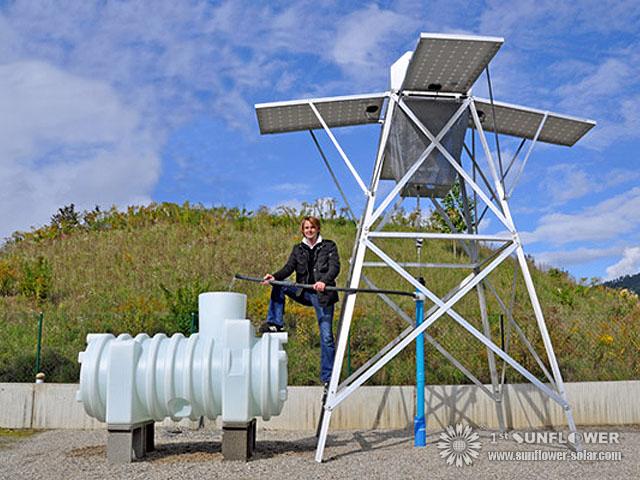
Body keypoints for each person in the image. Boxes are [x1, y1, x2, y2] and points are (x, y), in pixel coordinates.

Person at [260, 216, 340, 387]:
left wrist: (324, 281)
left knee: (326, 337)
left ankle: (328, 378)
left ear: (318, 228)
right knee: (279, 284)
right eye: (306, 228)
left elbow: (335, 267)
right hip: (303, 292)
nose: (309, 230)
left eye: (312, 227)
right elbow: (289, 267)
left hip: (323, 296)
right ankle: (275, 322)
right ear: (302, 230)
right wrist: (274, 276)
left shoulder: (329, 246)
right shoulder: (298, 249)